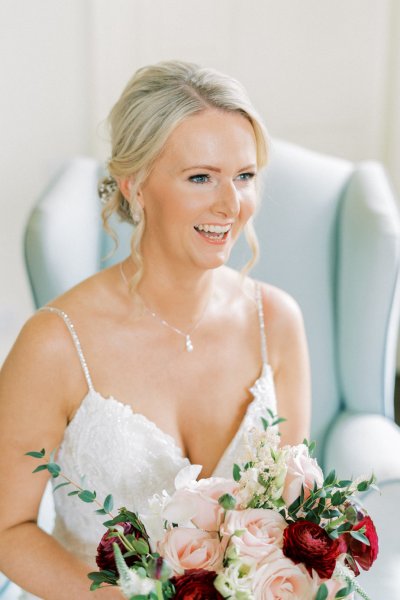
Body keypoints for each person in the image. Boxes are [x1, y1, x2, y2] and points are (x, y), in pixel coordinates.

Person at [0, 60, 311, 599]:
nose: (231, 205)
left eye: (244, 176)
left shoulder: (277, 323)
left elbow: (291, 514)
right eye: (200, 177)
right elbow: (7, 530)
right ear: (135, 185)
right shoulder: (54, 344)